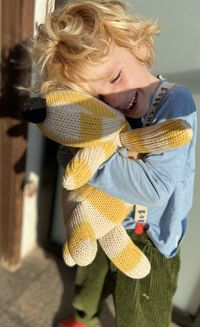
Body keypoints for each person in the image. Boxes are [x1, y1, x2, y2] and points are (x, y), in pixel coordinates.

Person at [31, 1, 197, 326]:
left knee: (141, 313)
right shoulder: (101, 111)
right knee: (88, 280)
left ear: (140, 44)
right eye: (95, 100)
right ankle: (83, 316)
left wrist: (93, 160)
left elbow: (154, 188)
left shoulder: (175, 103)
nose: (114, 101)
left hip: (149, 239)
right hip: (101, 221)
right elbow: (68, 156)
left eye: (114, 77)